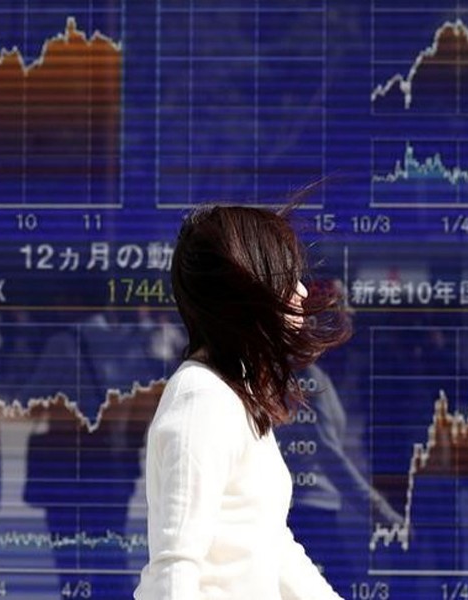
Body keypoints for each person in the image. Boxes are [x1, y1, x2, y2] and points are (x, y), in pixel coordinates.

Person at [134, 203, 351, 599]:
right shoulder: (202, 400)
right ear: (249, 287)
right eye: (288, 277)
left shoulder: (233, 394)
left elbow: (272, 546)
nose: (302, 291)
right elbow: (174, 568)